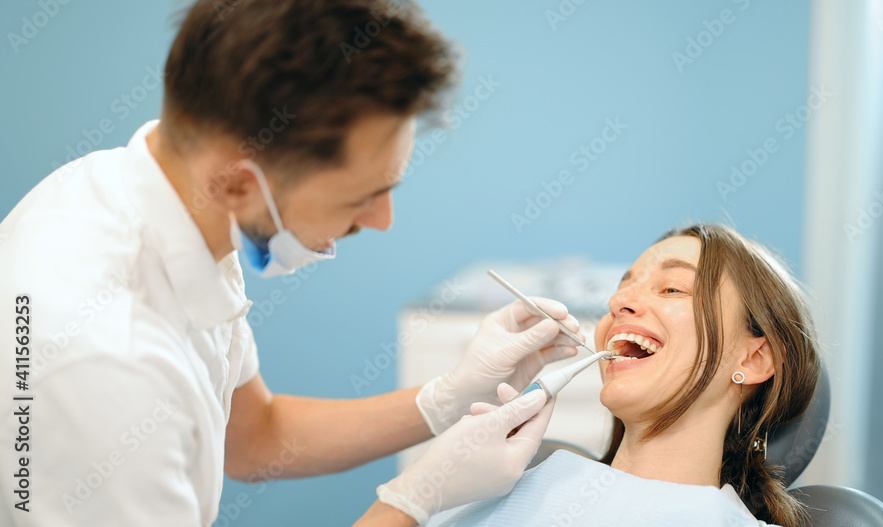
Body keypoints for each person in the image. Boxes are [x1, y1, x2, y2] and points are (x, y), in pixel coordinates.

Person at [0, 1, 583, 525]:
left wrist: (448, 397)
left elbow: (255, 437)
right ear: (237, 185)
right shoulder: (106, 367)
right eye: (360, 197)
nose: (383, 221)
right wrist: (413, 500)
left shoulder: (163, 200)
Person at [424, 223, 822, 527]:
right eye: (623, 288)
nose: (618, 302)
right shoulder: (498, 486)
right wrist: (421, 495)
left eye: (671, 289)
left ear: (753, 360)